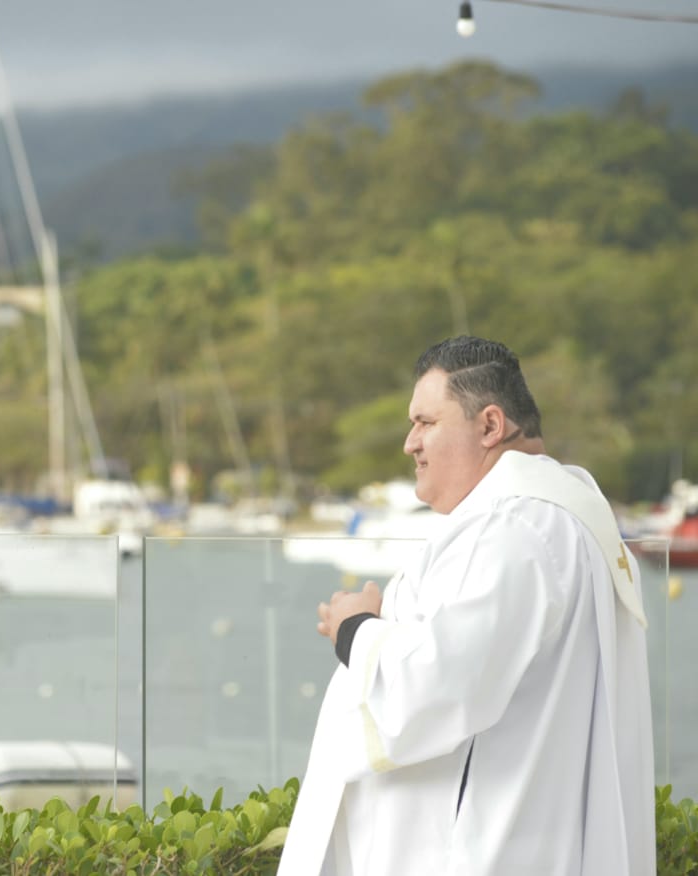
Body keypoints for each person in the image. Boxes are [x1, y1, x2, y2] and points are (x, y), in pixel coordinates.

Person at [278, 336, 655, 875]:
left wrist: (354, 628)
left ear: (489, 426)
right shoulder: (557, 516)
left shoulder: (515, 529)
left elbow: (436, 687)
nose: (410, 443)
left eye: (426, 422)